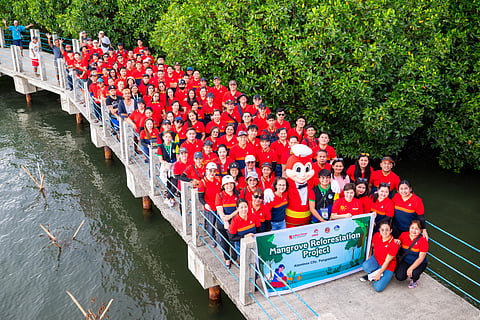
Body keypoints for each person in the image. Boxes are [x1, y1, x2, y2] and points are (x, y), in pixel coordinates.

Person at [360, 220, 399, 292]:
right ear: (379, 230)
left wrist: (379, 274)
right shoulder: (377, 235)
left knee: (378, 288)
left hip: (387, 266)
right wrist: (369, 258)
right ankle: (372, 275)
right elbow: (371, 247)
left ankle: (377, 276)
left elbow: (387, 262)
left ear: (391, 231)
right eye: (382, 229)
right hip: (376, 259)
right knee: (366, 266)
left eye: (387, 230)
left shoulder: (394, 244)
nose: (384, 232)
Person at [395, 220, 429, 289]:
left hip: (419, 262)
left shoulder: (423, 241)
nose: (414, 231)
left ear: (420, 230)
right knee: (399, 277)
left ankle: (414, 280)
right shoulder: (404, 235)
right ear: (409, 228)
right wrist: (397, 242)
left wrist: (411, 268)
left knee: (414, 274)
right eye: (412, 228)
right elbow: (398, 246)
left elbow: (421, 258)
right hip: (406, 261)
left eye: (416, 229)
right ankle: (408, 273)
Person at [215, 175, 240, 267]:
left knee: (234, 241)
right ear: (223, 186)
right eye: (227, 184)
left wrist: (230, 216)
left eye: (231, 184)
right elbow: (220, 210)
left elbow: (240, 208)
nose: (229, 186)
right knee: (224, 241)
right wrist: (225, 220)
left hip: (234, 222)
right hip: (223, 222)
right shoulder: (220, 195)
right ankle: (227, 259)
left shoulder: (237, 194)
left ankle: (234, 258)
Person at [198, 162, 222, 250]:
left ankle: (220, 241)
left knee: (220, 225)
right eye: (210, 171)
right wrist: (205, 204)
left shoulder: (218, 180)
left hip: (219, 206)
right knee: (210, 224)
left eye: (214, 171)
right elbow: (200, 197)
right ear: (206, 171)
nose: (212, 173)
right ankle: (212, 239)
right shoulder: (202, 183)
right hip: (209, 207)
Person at [157, 130, 177, 206]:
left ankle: (167, 198)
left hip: (174, 165)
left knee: (175, 184)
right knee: (168, 183)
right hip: (165, 165)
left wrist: (175, 163)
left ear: (171, 137)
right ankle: (171, 198)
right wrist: (166, 164)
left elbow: (177, 156)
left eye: (169, 137)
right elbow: (160, 159)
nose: (168, 138)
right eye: (166, 136)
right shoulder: (161, 147)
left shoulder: (175, 145)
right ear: (163, 137)